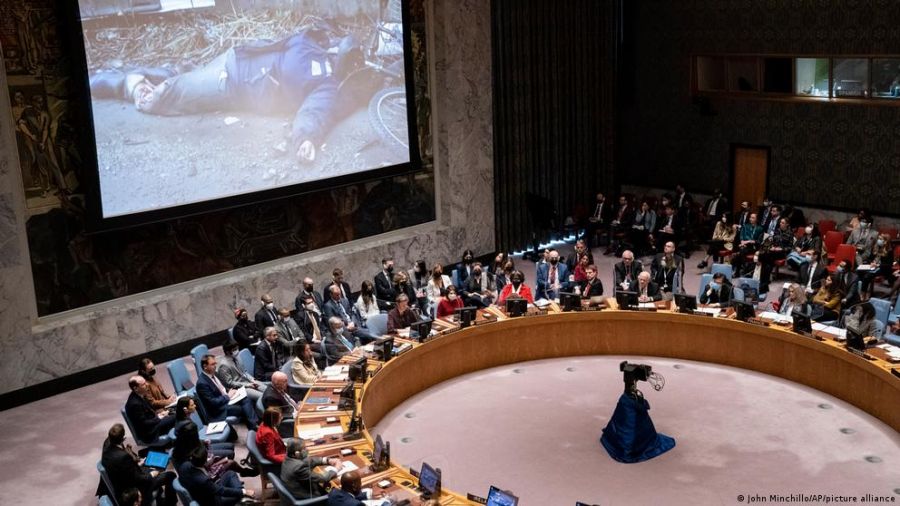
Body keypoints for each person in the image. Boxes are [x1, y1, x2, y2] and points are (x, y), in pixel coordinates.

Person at [92, 28, 357, 164]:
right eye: (340, 47)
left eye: (344, 54)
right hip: (234, 58)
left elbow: (315, 113)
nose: (338, 51)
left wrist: (306, 139)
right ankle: (129, 78)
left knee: (159, 98)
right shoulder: (314, 44)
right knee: (183, 77)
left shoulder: (326, 86)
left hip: (229, 85)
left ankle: (121, 84)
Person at [99, 423, 176, 506]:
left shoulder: (107, 443)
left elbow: (123, 469)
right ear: (122, 438)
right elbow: (137, 478)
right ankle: (170, 503)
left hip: (120, 482)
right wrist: (152, 475)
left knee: (149, 464)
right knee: (170, 475)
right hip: (133, 488)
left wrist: (135, 463)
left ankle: (159, 497)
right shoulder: (123, 457)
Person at [196, 355, 259, 430]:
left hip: (226, 400)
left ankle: (253, 425)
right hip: (218, 410)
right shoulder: (202, 383)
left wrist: (231, 393)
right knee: (242, 408)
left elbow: (221, 389)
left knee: (247, 399)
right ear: (205, 366)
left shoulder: (213, 374)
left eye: (215, 363)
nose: (215, 366)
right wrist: (228, 396)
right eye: (212, 364)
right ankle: (254, 426)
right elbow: (213, 402)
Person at [177, 446, 255, 506]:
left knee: (230, 473)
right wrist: (244, 492)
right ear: (204, 461)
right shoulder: (203, 480)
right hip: (213, 501)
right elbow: (221, 491)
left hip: (199, 491)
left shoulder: (184, 465)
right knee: (238, 493)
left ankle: (243, 496)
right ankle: (243, 495)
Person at [172, 397, 235, 465]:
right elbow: (195, 448)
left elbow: (190, 441)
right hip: (196, 454)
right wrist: (204, 445)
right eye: (192, 405)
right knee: (230, 453)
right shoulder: (190, 426)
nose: (195, 406)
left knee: (231, 445)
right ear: (185, 409)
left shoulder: (179, 419)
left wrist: (203, 441)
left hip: (193, 448)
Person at [124, 376, 176, 443]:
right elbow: (144, 423)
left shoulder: (141, 395)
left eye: (146, 382)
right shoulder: (134, 404)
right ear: (136, 388)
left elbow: (148, 414)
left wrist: (160, 414)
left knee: (174, 412)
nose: (147, 384)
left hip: (153, 424)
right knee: (176, 416)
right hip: (150, 432)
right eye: (143, 384)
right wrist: (159, 417)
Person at [757, 217, 795, 293]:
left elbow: (790, 247)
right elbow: (772, 240)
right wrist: (772, 246)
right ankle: (764, 283)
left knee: (765, 257)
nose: (780, 224)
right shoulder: (777, 231)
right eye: (780, 222)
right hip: (773, 251)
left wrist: (781, 249)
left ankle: (763, 282)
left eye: (783, 223)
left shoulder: (790, 233)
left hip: (782, 253)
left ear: (787, 224)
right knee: (766, 262)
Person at [859, 233, 895, 299]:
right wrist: (871, 262)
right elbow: (870, 258)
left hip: (883, 268)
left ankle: (863, 294)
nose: (878, 240)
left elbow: (889, 264)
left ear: (885, 241)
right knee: (859, 271)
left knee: (867, 276)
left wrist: (877, 265)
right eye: (878, 238)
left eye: (880, 239)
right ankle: (864, 290)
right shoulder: (876, 247)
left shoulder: (889, 251)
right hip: (873, 266)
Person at [732, 212, 764, 278]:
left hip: (754, 247)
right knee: (741, 250)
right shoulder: (745, 226)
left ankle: (738, 271)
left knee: (739, 254)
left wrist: (749, 241)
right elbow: (741, 236)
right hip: (744, 246)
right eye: (750, 217)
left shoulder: (760, 228)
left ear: (756, 219)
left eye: (753, 218)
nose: (750, 219)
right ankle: (746, 269)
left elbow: (759, 241)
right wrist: (742, 243)